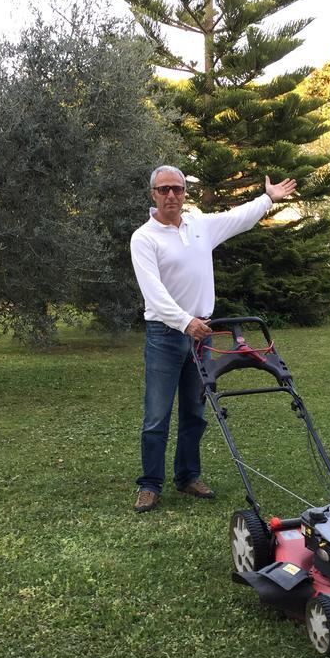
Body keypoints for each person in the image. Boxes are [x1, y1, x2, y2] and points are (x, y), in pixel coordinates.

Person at [130, 165, 297, 512]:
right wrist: (184, 321)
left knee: (195, 411)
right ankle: (150, 485)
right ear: (153, 195)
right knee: (157, 415)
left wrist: (268, 198)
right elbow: (154, 293)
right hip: (165, 335)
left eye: (177, 188)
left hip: (202, 335)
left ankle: (188, 476)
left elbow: (239, 217)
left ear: (184, 192)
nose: (171, 195)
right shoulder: (144, 237)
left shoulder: (200, 226)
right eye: (164, 190)